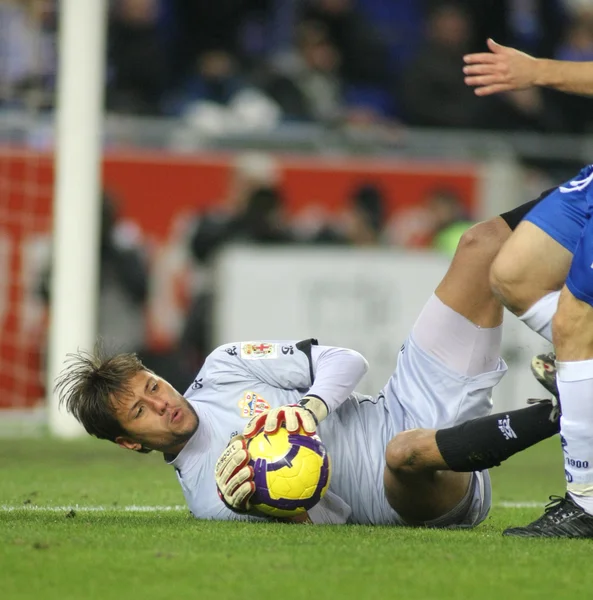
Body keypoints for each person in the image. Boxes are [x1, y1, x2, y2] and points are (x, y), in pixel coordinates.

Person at [55, 198, 560, 527]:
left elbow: (346, 360)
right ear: (129, 442)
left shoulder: (225, 366)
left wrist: (311, 409)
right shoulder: (217, 497)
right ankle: (563, 408)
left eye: (153, 387)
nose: (160, 403)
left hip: (406, 399)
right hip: (411, 495)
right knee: (404, 451)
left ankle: (582, 188)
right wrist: (270, 505)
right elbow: (331, 526)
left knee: (480, 246)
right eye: (140, 412)